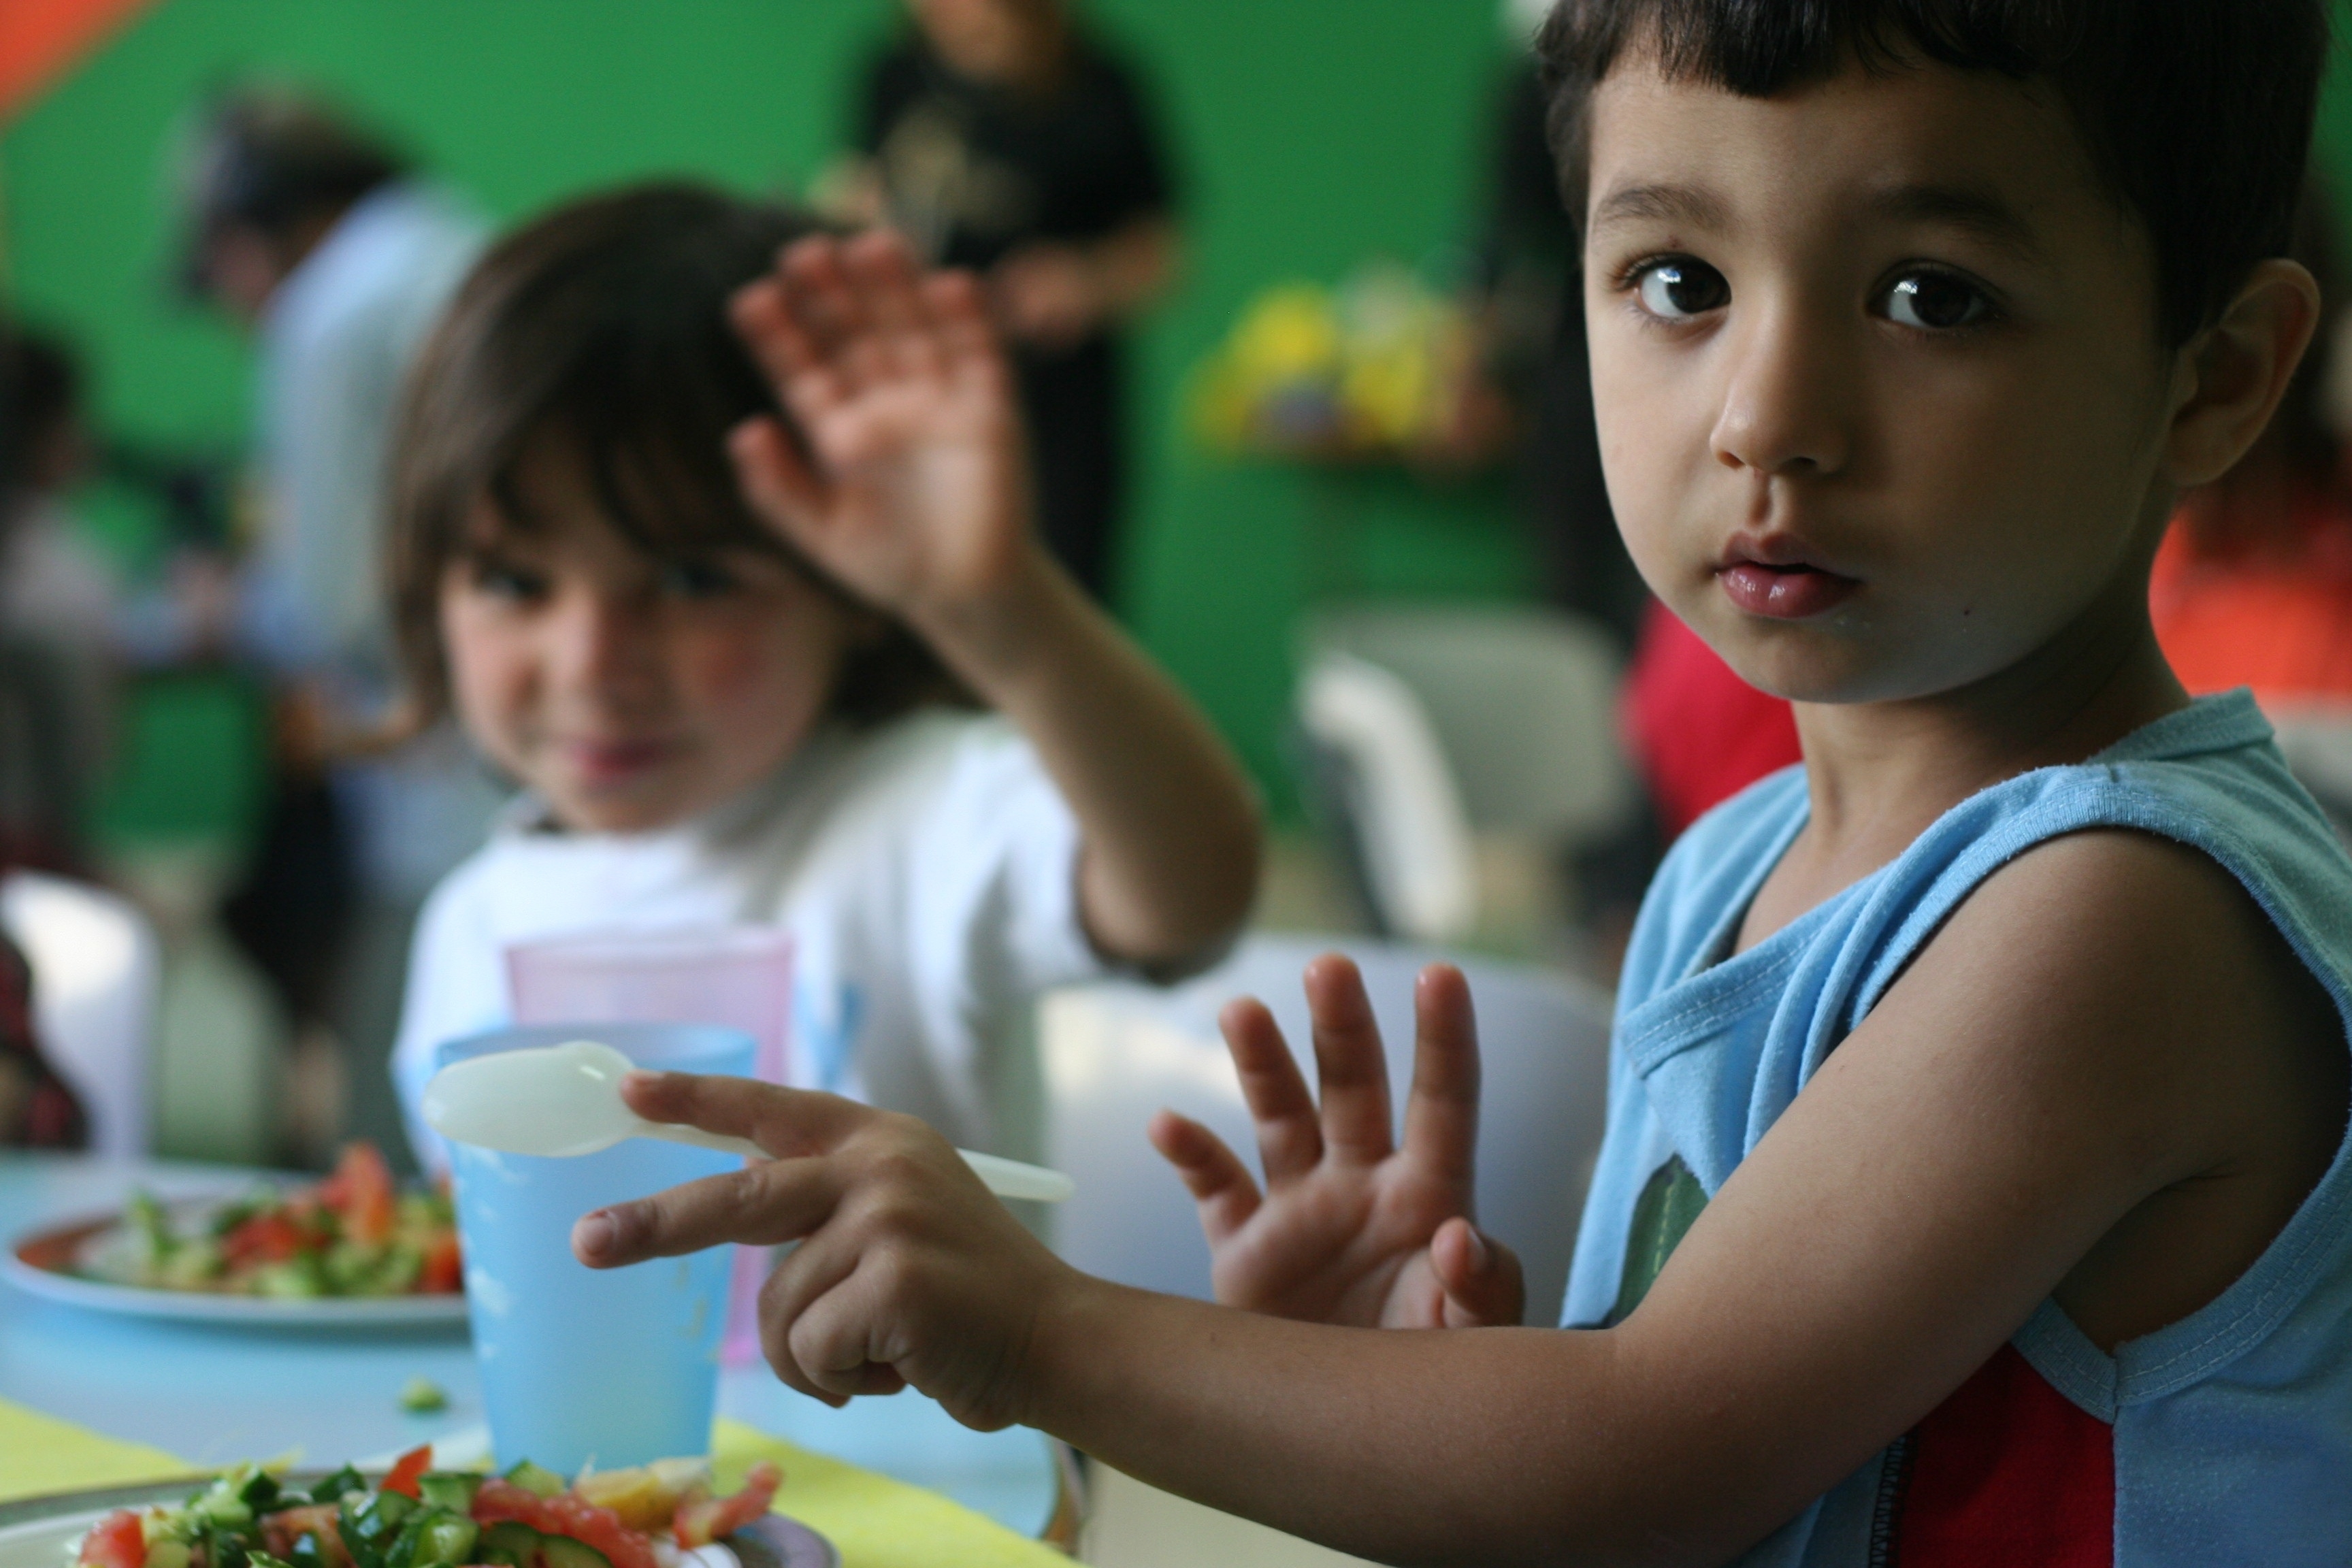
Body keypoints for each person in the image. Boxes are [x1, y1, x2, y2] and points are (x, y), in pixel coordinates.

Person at [566, 1, 2352, 1561]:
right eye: (1680, 282)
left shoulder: (2122, 916)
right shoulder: (1734, 868)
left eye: (1928, 297)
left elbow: (1650, 1463)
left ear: (2217, 380)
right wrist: (1387, 1396)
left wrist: (1040, 1331)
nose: (1764, 415)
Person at [386, 185, 1260, 1170]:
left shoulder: (927, 816)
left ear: (851, 586)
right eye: (515, 582)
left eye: (691, 581)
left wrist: (1003, 611)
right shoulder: (469, 925)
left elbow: (1196, 892)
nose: (591, 664)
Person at [178, 87, 504, 1164]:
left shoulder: (332, 312)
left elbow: (326, 604)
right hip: (545, 783)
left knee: (397, 1149)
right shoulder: (471, 250)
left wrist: (229, 606)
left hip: (438, 790)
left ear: (248, 228)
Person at [843, 0, 1181, 602]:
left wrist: (1085, 281)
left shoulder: (1101, 86)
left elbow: (1159, 253)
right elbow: (855, 190)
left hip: (1055, 403)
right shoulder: (895, 72)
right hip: (924, 375)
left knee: (1061, 589)